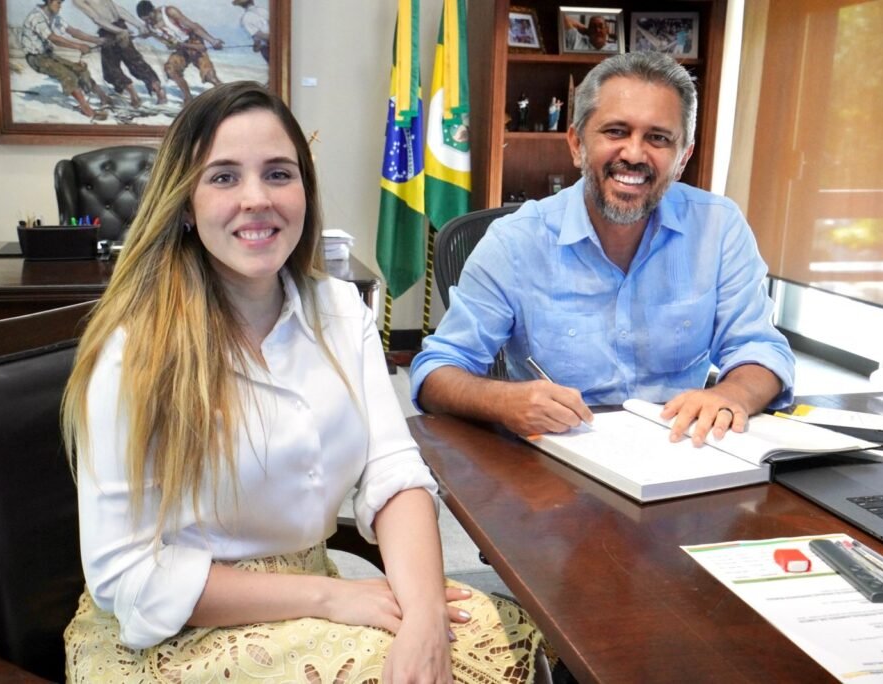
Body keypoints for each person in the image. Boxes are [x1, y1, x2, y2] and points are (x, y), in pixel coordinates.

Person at [60, 81, 545, 682]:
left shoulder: (341, 310)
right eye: (224, 177)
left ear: (305, 192)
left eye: (278, 174)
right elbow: (124, 576)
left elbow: (394, 474)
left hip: (314, 595)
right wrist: (329, 597)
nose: (256, 198)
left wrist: (424, 619)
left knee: (501, 631)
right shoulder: (133, 349)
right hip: (175, 627)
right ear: (184, 203)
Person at [411, 52, 795, 448]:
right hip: (556, 458)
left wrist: (732, 395)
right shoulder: (514, 242)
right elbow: (436, 372)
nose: (634, 154)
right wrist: (502, 400)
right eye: (615, 131)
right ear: (577, 144)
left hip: (680, 450)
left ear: (683, 158)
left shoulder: (719, 227)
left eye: (658, 138)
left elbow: (760, 348)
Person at [19, 0, 108, 120]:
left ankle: (103, 97)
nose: (60, 6)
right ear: (49, 1)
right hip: (35, 58)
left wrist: (97, 40)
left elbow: (73, 32)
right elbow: (54, 39)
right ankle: (86, 109)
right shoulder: (36, 17)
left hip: (48, 56)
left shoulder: (53, 16)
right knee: (68, 75)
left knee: (80, 69)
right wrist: (79, 46)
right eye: (58, 3)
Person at [73, 0, 167, 106]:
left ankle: (134, 95)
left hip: (109, 31)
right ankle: (158, 92)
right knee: (135, 62)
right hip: (119, 27)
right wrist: (132, 27)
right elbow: (114, 11)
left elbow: (100, 18)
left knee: (113, 68)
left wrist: (136, 26)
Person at [135, 0, 223, 104]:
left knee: (209, 75)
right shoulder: (150, 26)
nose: (149, 21)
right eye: (145, 20)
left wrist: (212, 41)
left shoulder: (169, 12)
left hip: (193, 40)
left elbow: (194, 27)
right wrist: (142, 34)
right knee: (170, 69)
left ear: (153, 10)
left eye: (149, 18)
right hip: (181, 48)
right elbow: (170, 43)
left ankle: (226, 94)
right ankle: (188, 98)